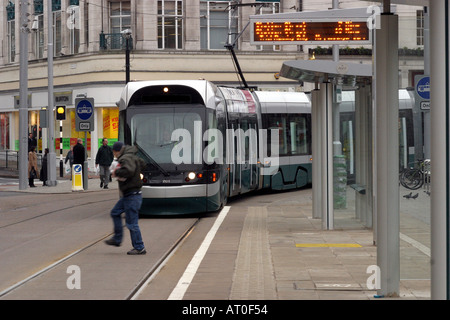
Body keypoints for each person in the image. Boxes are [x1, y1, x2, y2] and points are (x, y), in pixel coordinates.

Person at [105, 141, 147, 255]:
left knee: (132, 223)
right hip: (130, 194)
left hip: (132, 194)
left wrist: (116, 171)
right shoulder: (132, 155)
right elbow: (143, 164)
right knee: (115, 212)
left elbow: (129, 170)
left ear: (117, 151)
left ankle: (139, 247)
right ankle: (117, 239)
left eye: (114, 152)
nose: (114, 155)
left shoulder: (125, 158)